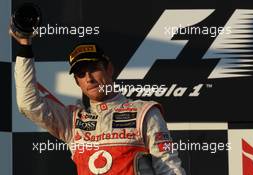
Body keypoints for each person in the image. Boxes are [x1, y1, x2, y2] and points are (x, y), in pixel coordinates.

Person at [10, 28, 186, 175]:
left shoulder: (144, 112)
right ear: (77, 82)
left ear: (109, 68)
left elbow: (168, 167)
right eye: (81, 73)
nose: (88, 78)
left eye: (93, 68)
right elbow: (28, 104)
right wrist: (25, 47)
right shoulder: (72, 121)